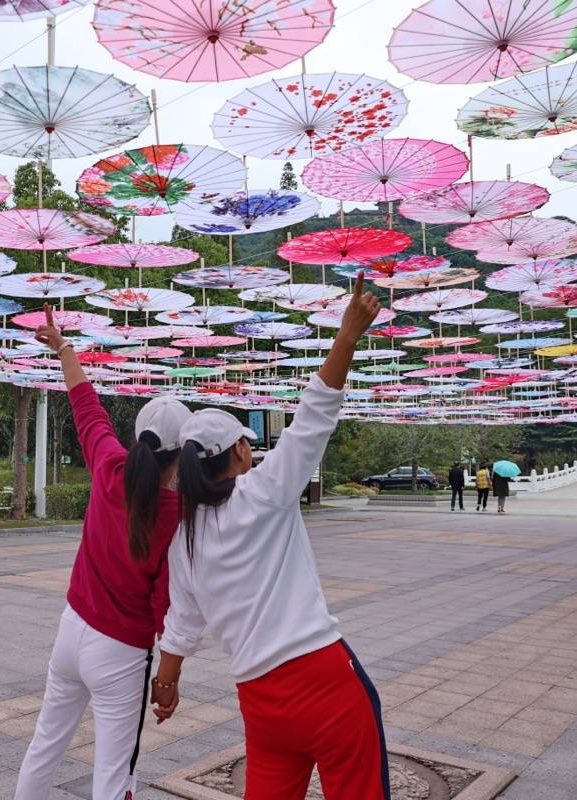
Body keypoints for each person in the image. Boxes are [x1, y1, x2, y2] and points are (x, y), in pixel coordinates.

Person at [150, 277, 389, 800]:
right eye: (247, 445)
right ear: (239, 453)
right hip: (325, 683)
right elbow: (312, 418)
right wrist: (347, 335)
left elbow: (182, 624)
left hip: (261, 703)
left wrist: (165, 688)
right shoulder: (265, 492)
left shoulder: (185, 538)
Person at [16, 306, 192, 800]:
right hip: (120, 653)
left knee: (44, 746)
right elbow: (166, 603)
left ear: (138, 440)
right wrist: (168, 675)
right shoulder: (178, 514)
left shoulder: (108, 465)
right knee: (115, 776)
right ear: (180, 456)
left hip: (71, 632)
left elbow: (85, 406)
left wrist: (64, 347)